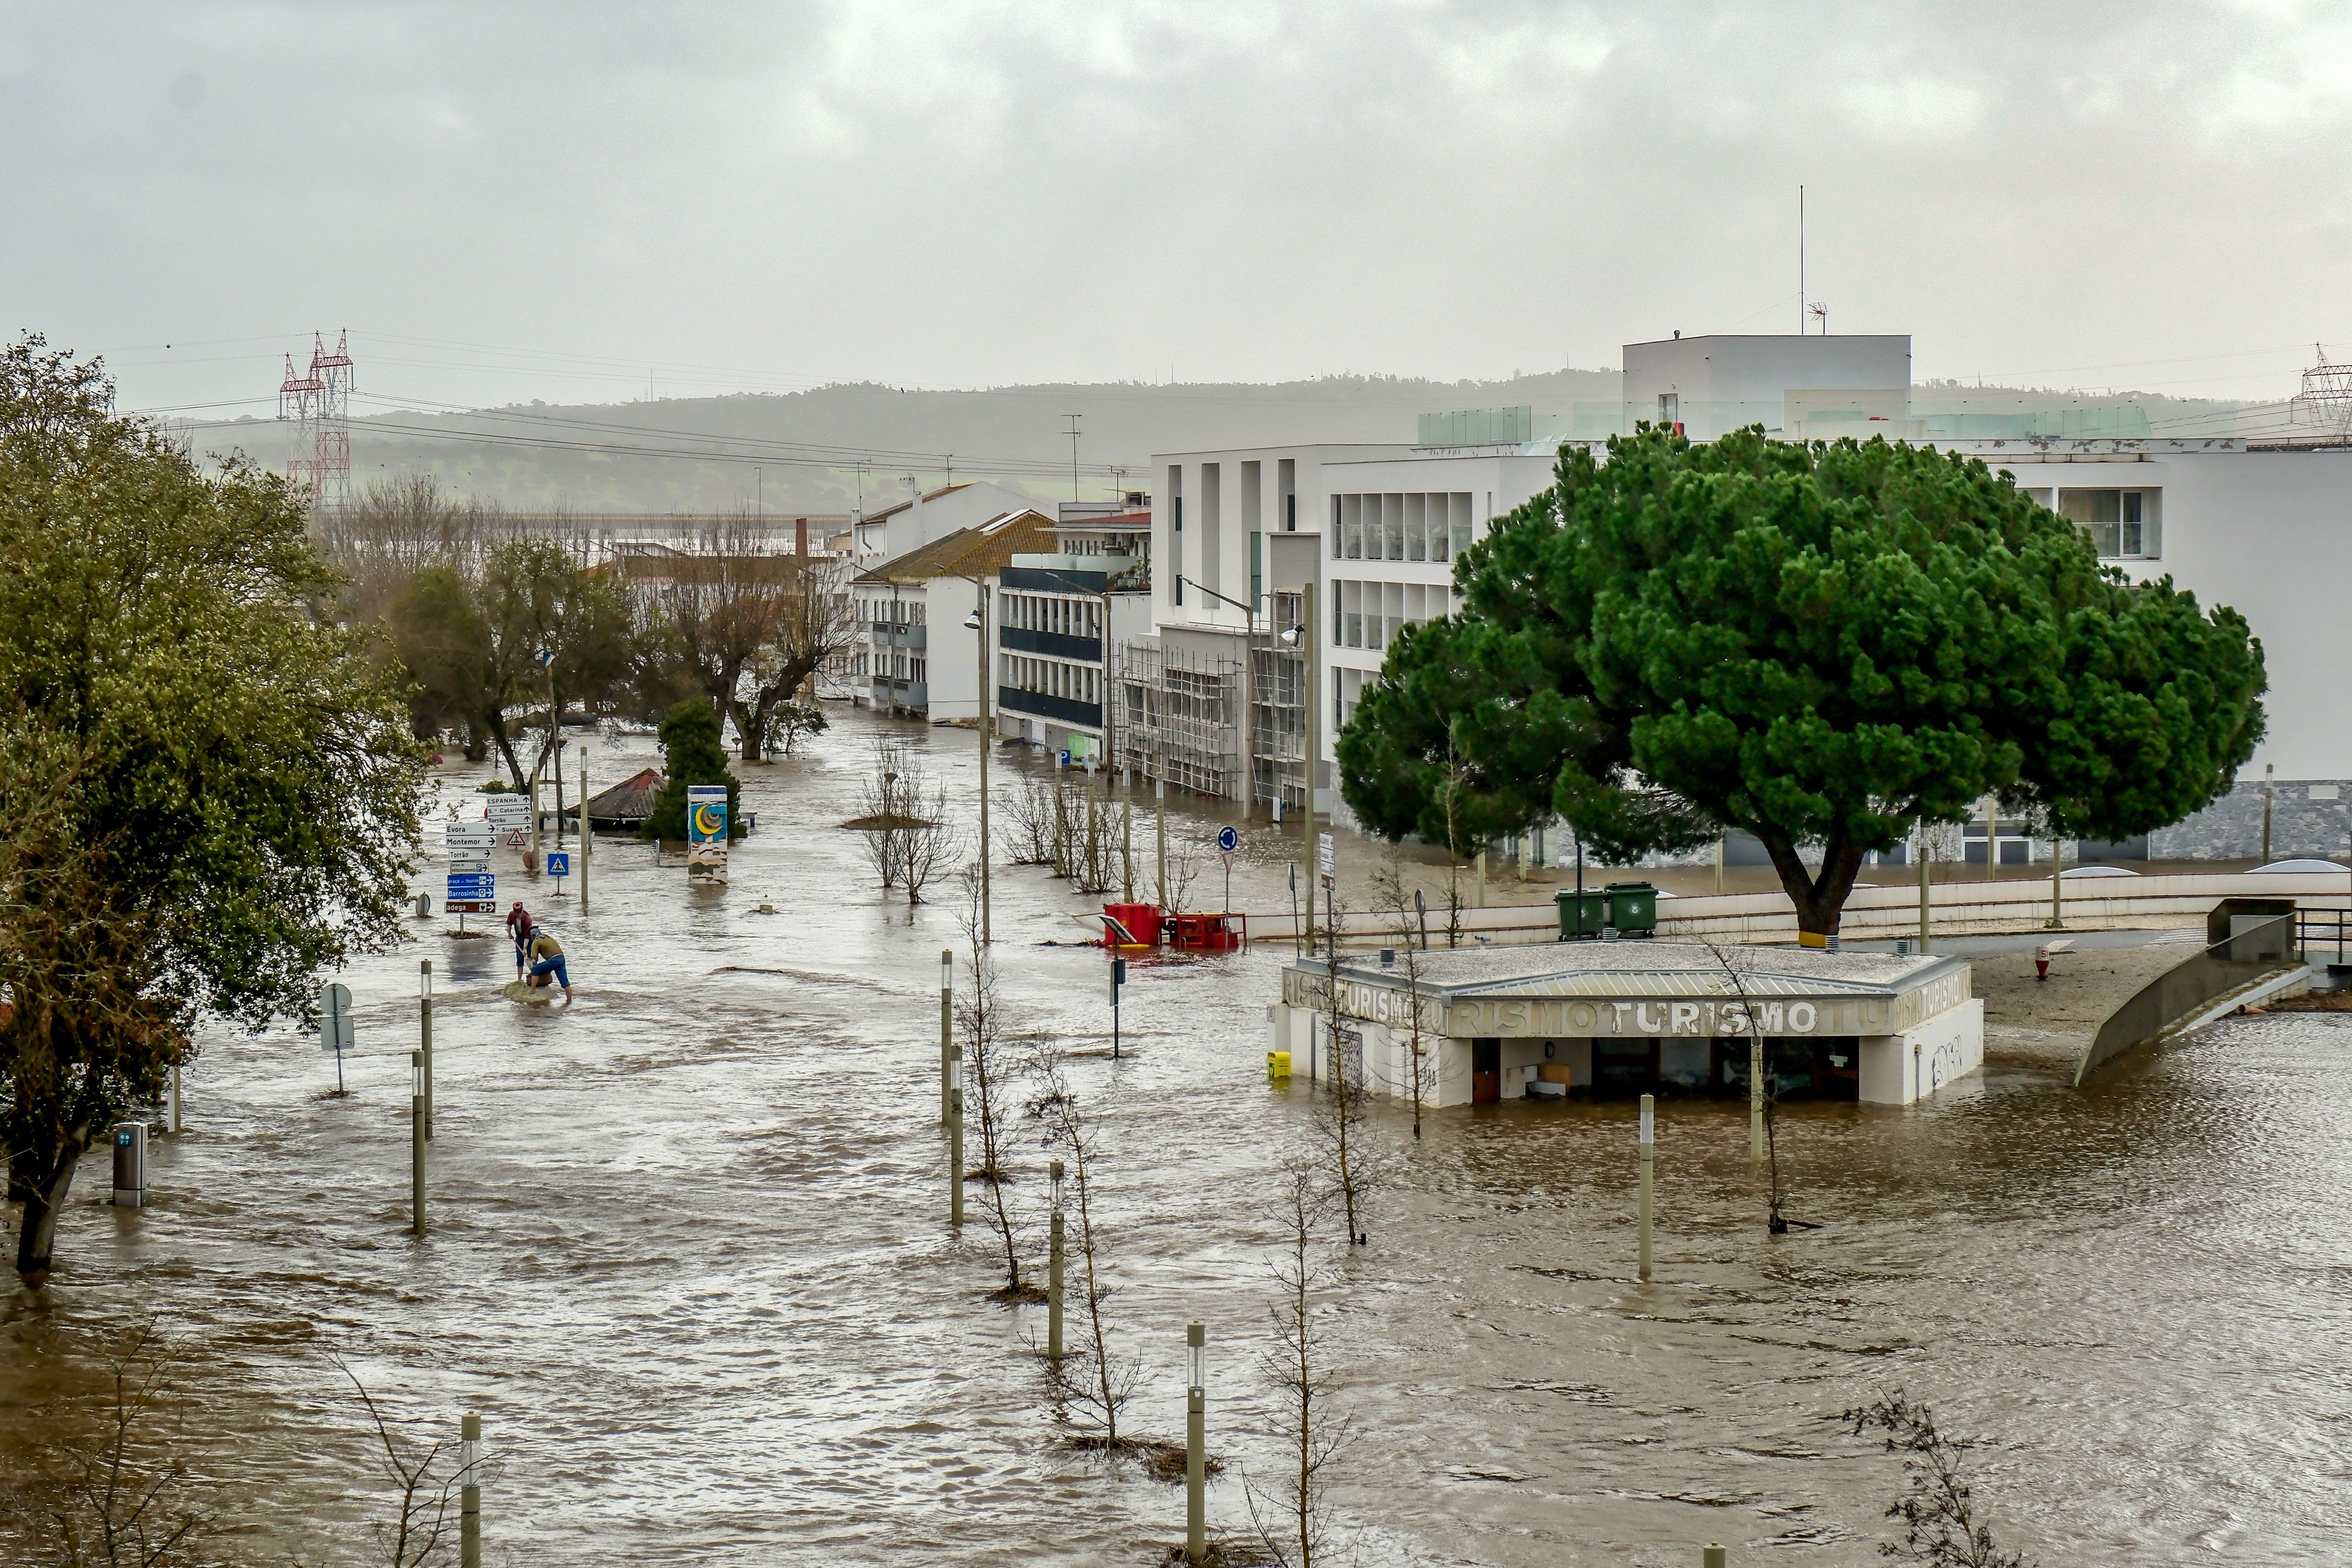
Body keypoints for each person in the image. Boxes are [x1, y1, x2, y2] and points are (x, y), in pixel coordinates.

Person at [526, 927, 571, 1000]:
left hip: (554, 960)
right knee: (565, 983)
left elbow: (534, 959)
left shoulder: (536, 941)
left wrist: (533, 970)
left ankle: (532, 990)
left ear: (533, 936)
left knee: (535, 969)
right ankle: (569, 1001)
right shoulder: (548, 937)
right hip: (561, 958)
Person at [506, 902, 534, 980]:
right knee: (520, 959)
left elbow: (527, 936)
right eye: (516, 913)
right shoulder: (512, 915)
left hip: (529, 939)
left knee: (531, 958)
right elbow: (509, 923)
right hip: (519, 939)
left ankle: (534, 975)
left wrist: (525, 949)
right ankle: (519, 979)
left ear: (522, 911)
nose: (518, 915)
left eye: (519, 913)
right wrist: (509, 933)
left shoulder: (527, 920)